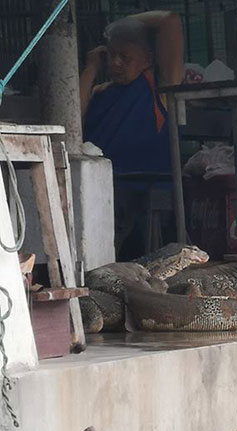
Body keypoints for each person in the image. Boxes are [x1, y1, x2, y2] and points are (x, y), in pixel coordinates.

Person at [80, 12, 184, 257]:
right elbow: (68, 117)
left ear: (148, 58)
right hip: (97, 189)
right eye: (111, 56)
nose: (115, 63)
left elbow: (170, 21)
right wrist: (92, 67)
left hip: (140, 191)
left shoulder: (159, 90)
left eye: (125, 57)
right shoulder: (100, 92)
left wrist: (119, 22)